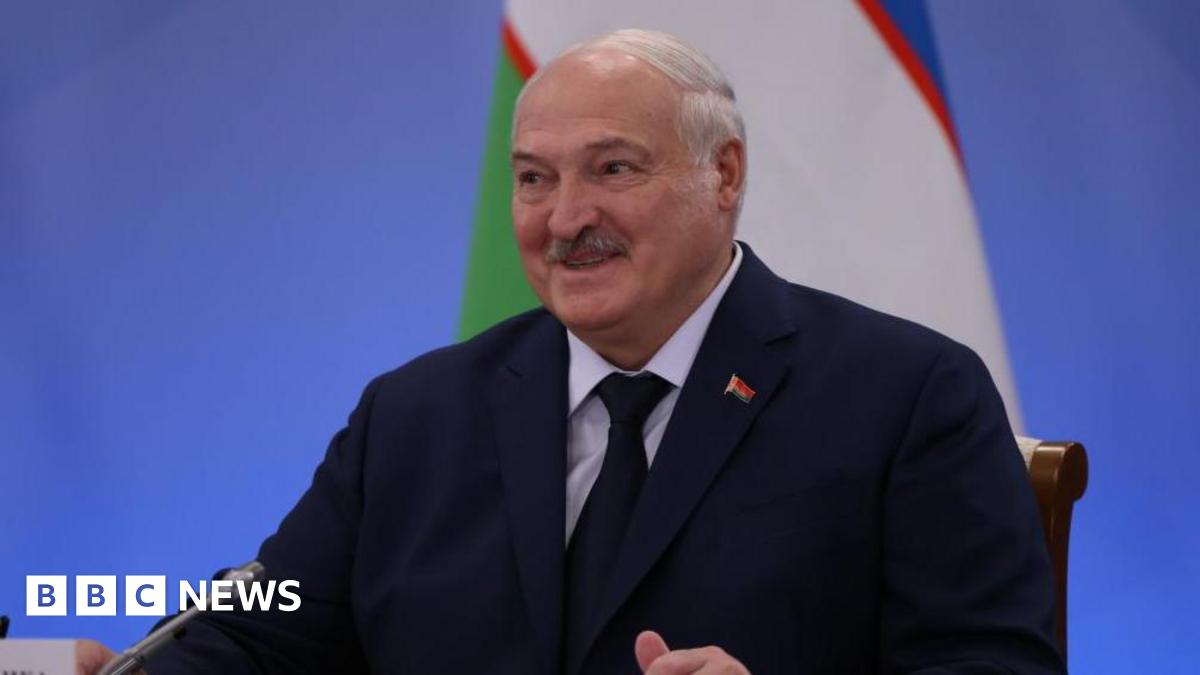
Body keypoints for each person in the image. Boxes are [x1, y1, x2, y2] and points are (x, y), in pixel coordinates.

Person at [79, 28, 1064, 674]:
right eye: (533, 178)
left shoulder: (906, 396)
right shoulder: (416, 415)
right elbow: (262, 632)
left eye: (613, 170)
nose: (566, 219)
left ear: (723, 175)